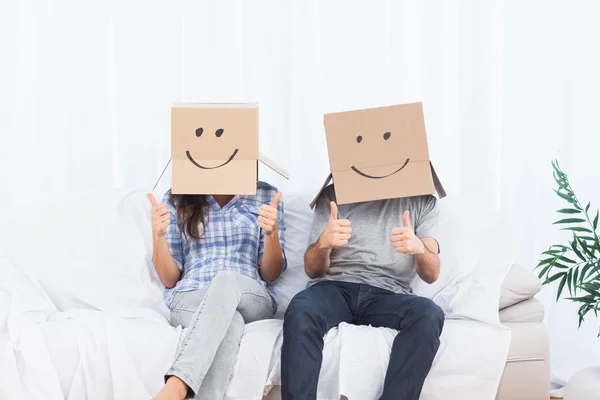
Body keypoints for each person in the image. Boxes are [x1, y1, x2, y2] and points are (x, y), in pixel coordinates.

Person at [281, 185, 444, 400]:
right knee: (301, 308)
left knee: (430, 314)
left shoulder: (423, 201)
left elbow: (431, 274)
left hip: (389, 294)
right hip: (334, 288)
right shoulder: (332, 195)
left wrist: (420, 249)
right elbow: (312, 270)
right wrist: (323, 244)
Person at [148, 181, 287, 400]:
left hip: (248, 295)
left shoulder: (267, 194)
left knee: (226, 279)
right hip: (193, 295)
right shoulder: (177, 197)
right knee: (229, 322)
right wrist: (158, 236)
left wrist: (272, 234)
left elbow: (271, 273)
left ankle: (177, 384)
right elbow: (169, 278)